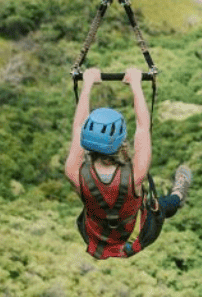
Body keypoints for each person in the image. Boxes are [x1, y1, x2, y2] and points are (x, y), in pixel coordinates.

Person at [65, 66, 192, 259]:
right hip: (134, 238)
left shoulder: (73, 172)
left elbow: (77, 127)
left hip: (95, 238)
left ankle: (177, 196)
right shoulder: (136, 175)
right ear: (120, 143)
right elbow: (142, 127)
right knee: (161, 206)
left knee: (99, 204)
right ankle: (178, 195)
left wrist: (87, 84)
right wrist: (135, 84)